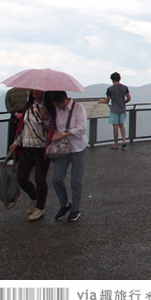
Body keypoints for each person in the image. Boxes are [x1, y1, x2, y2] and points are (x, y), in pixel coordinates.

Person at [9, 89, 55, 221]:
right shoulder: (28, 106)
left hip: (41, 148)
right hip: (27, 147)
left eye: (38, 90)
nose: (35, 91)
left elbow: (51, 128)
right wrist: (16, 142)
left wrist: (45, 118)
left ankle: (40, 207)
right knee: (21, 178)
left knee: (40, 179)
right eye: (33, 89)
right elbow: (24, 126)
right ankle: (34, 198)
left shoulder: (47, 108)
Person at [48, 91, 88, 223]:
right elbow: (53, 125)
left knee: (76, 181)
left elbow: (82, 128)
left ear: (65, 100)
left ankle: (75, 209)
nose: (57, 106)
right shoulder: (56, 109)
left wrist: (64, 134)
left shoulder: (78, 108)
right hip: (62, 149)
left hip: (78, 148)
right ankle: (64, 204)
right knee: (56, 178)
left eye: (58, 103)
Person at [99, 72, 131, 150]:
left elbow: (107, 101)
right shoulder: (125, 87)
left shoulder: (110, 89)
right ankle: (124, 141)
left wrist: (101, 101)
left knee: (115, 126)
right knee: (122, 125)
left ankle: (116, 144)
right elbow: (129, 98)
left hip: (114, 109)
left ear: (112, 79)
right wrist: (123, 103)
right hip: (122, 109)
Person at [5, 87, 28, 153]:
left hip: (14, 118)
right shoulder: (28, 91)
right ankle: (23, 155)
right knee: (25, 137)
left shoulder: (10, 92)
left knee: (12, 138)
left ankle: (11, 156)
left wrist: (15, 113)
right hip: (26, 117)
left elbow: (8, 106)